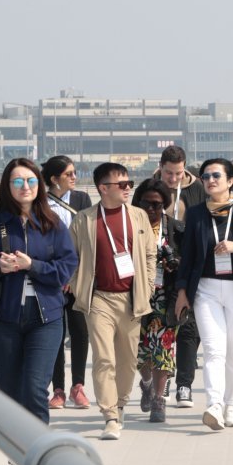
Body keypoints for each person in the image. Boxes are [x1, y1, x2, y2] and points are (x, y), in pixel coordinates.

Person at [0, 157, 78, 465]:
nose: (25, 187)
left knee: (34, 390)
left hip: (46, 319)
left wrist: (34, 266)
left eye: (29, 181)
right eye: (17, 182)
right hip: (4, 321)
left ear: (39, 185)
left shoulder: (53, 223)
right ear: (7, 186)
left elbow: (66, 267)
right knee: (12, 396)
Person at [173, 158, 233, 430]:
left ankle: (232, 405)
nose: (210, 180)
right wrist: (182, 291)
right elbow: (188, 256)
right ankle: (214, 405)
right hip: (205, 288)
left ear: (231, 181)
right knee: (214, 350)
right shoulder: (195, 213)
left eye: (216, 175)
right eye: (205, 176)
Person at [67, 163, 158, 439]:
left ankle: (120, 405)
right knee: (104, 358)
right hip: (99, 299)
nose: (128, 188)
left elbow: (150, 255)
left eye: (129, 183)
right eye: (122, 184)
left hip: (132, 297)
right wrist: (76, 285)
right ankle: (109, 414)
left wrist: (149, 285)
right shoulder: (83, 220)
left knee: (128, 360)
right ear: (103, 188)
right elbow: (71, 258)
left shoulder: (139, 216)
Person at [40, 155, 93, 411]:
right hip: (51, 278)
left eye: (74, 172)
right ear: (54, 178)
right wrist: (57, 274)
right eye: (69, 173)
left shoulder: (82, 200)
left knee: (80, 331)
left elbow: (88, 240)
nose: (74, 177)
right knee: (56, 333)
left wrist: (74, 276)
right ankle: (58, 389)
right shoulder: (41, 202)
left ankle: (78, 387)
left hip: (78, 277)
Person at [157, 145, 205, 409]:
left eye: (177, 173)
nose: (172, 179)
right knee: (163, 326)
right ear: (160, 168)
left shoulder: (197, 188)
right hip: (161, 269)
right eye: (168, 174)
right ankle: (163, 378)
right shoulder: (152, 188)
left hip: (191, 266)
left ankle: (185, 384)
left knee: (189, 327)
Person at [133, 178, 181, 424]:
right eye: (146, 204)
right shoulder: (128, 227)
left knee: (162, 348)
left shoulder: (175, 229)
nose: (151, 209)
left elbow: (186, 261)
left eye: (157, 205)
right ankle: (147, 383)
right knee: (140, 352)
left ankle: (159, 400)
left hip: (165, 297)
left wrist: (174, 263)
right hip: (135, 295)